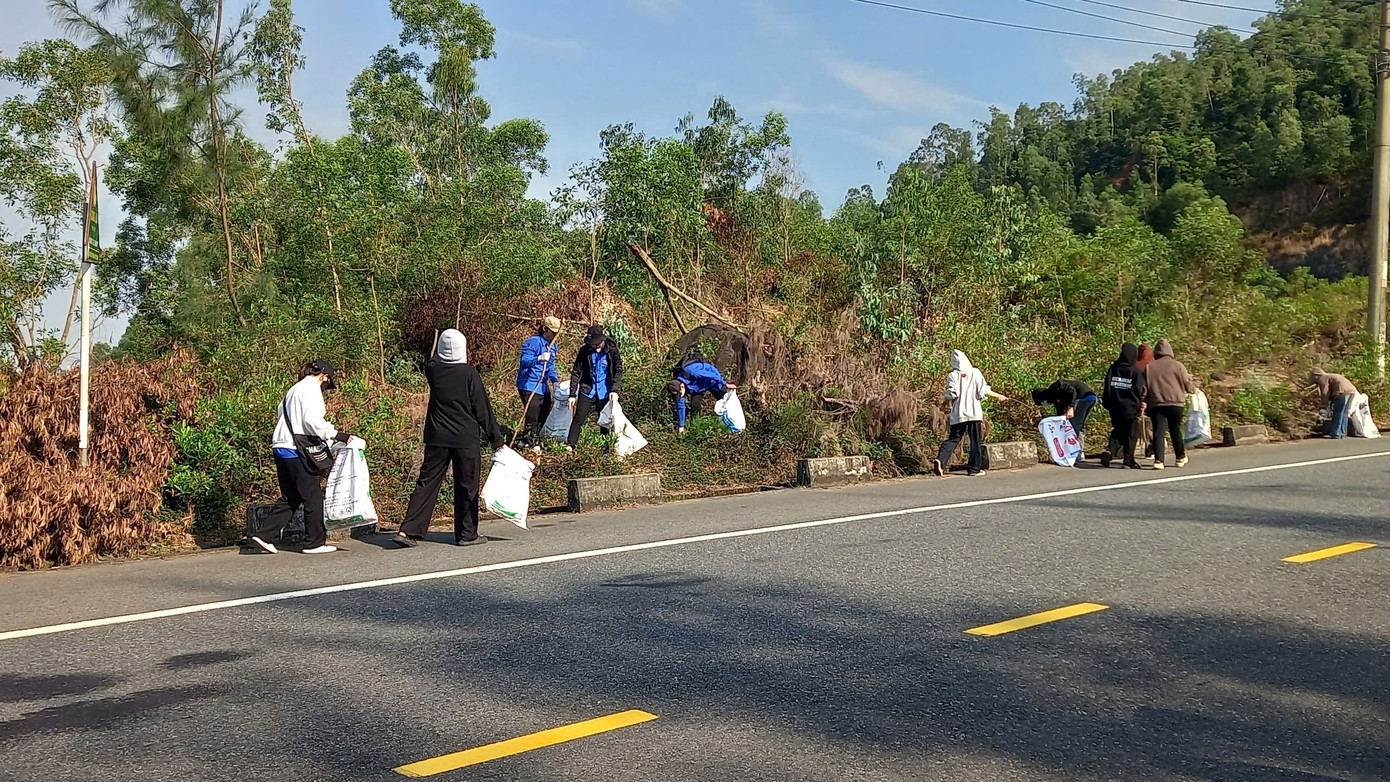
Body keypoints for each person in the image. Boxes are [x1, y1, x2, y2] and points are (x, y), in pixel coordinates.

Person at [394, 329, 505, 548]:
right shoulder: (469, 374)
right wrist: (496, 439)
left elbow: (433, 358)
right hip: (465, 437)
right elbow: (482, 408)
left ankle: (407, 531)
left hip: (437, 436)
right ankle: (466, 534)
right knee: (467, 485)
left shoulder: (433, 370)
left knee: (427, 483)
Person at [253, 360, 352, 555]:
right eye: (327, 382)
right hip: (295, 449)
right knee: (312, 496)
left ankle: (264, 535)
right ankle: (314, 543)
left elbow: (284, 416)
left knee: (292, 495)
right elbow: (312, 422)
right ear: (324, 376)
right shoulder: (311, 390)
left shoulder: (293, 390)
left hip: (281, 446)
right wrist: (338, 435)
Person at [933, 350, 1008, 477]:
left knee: (954, 438)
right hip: (974, 412)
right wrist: (999, 396)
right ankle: (974, 469)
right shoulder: (975, 372)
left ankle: (941, 460)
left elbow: (952, 394)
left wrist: (945, 403)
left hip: (958, 413)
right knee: (975, 440)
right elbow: (983, 390)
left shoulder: (952, 375)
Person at [566, 325, 624, 450]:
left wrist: (614, 390)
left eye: (597, 344)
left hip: (605, 391)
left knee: (605, 421)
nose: (595, 347)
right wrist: (572, 394)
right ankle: (570, 445)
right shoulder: (584, 351)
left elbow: (618, 370)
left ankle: (606, 449)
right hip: (587, 390)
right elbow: (576, 372)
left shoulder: (612, 350)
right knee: (578, 418)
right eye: (593, 344)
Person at [1145, 339, 1198, 469]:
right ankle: (1180, 457)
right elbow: (1187, 383)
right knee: (1175, 430)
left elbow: (1144, 387)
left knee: (1158, 431)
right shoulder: (1178, 365)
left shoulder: (1149, 367)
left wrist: (1143, 400)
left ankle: (1159, 461)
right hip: (1175, 403)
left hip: (1156, 404)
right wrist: (1192, 390)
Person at [515, 316, 561, 449]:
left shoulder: (553, 346)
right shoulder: (533, 342)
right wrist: (539, 358)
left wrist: (554, 380)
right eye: (553, 332)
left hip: (543, 385)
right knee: (532, 415)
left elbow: (550, 366)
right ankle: (527, 442)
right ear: (545, 329)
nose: (555, 335)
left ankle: (537, 438)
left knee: (545, 411)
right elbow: (525, 361)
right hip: (530, 384)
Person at [1101, 342, 1146, 469]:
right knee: (1131, 434)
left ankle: (1109, 451)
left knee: (1118, 430)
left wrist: (1107, 402)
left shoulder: (1113, 368)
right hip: (1130, 408)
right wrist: (1141, 402)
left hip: (1114, 406)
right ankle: (1128, 460)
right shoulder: (1135, 371)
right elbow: (1139, 389)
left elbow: (1107, 387)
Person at [1030, 379, 1097, 464]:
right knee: (1078, 426)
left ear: (1042, 399)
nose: (1045, 405)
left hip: (1083, 397)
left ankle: (1076, 454)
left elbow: (1071, 391)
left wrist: (1071, 407)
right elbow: (1061, 414)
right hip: (1091, 398)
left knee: (1073, 427)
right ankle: (1079, 453)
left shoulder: (1055, 387)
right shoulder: (1057, 401)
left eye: (1042, 404)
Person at [667, 353, 736, 433]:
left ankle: (733, 420)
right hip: (698, 388)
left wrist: (725, 384)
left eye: (679, 394)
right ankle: (696, 428)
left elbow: (712, 375)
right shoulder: (677, 387)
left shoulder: (692, 371)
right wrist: (681, 426)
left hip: (711, 381)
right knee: (695, 406)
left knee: (725, 399)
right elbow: (680, 407)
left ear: (681, 387)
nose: (680, 396)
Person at [1310, 367, 1359, 439]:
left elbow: (1325, 393)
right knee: (1344, 413)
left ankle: (1335, 433)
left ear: (1315, 376)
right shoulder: (1330, 376)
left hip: (1342, 392)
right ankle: (1342, 433)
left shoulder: (1323, 378)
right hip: (1351, 391)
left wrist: (1324, 405)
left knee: (1338, 413)